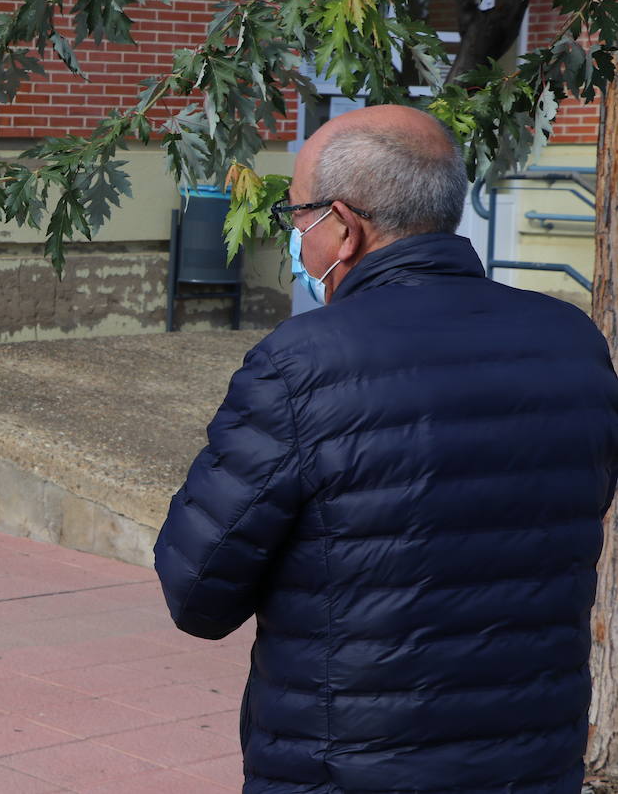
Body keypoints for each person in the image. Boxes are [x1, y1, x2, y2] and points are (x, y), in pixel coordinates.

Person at [154, 104, 618, 792]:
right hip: (533, 760)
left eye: (296, 218)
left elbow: (197, 591)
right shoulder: (575, 344)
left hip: (347, 767)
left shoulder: (302, 365)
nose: (294, 240)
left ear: (342, 227)